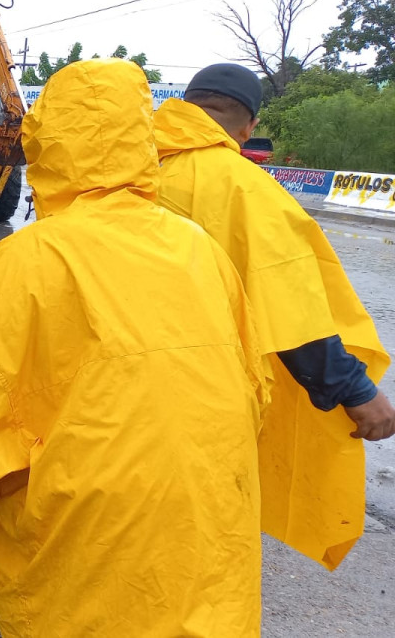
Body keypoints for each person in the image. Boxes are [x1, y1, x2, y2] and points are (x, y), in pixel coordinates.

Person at [0, 60, 268, 636]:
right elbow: (255, 385)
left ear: (48, 141)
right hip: (207, 514)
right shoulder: (200, 249)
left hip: (92, 520)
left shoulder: (32, 257)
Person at [154, 63, 395, 569]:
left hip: (107, 399)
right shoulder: (245, 189)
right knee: (190, 551)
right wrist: (355, 391)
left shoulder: (122, 172)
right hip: (199, 403)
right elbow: (289, 310)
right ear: (248, 126)